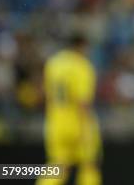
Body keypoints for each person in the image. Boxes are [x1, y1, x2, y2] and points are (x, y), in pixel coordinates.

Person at [37, 33, 101, 185]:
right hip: (77, 122)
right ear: (81, 45)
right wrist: (87, 126)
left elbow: (46, 93)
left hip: (55, 123)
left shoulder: (53, 63)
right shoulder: (81, 65)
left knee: (58, 166)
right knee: (89, 165)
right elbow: (83, 101)